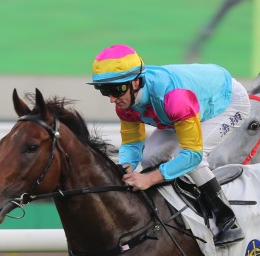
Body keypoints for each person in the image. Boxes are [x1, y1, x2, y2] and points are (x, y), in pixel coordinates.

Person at [88, 44, 250, 245]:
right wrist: (125, 166)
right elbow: (132, 142)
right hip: (183, 111)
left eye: (116, 90)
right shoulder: (125, 103)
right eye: (104, 91)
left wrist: (148, 179)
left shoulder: (174, 98)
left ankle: (227, 220)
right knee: (150, 158)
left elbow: (193, 155)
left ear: (136, 82)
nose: (112, 99)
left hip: (226, 103)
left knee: (191, 159)